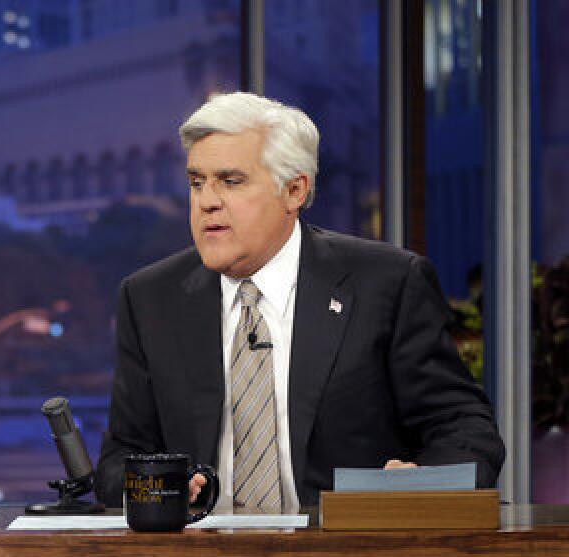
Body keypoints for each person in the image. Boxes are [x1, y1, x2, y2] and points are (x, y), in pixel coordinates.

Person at [96, 92, 504, 512]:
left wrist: (421, 485)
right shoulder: (150, 299)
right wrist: (155, 486)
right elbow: (117, 461)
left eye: (230, 181)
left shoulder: (387, 284)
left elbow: (463, 427)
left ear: (294, 190)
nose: (207, 200)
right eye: (197, 182)